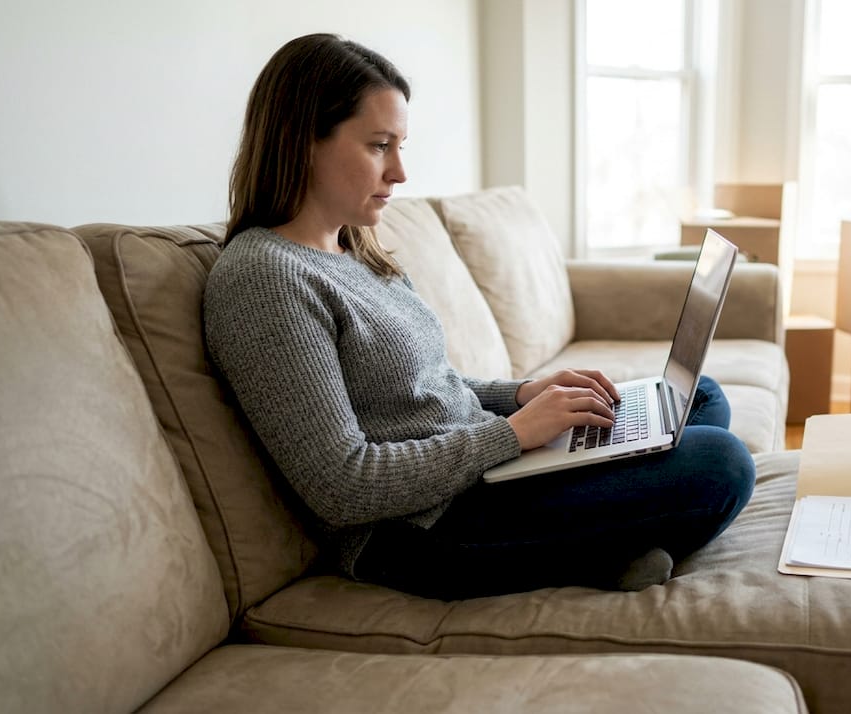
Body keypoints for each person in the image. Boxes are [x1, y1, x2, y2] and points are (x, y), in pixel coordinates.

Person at [203, 33, 755, 600]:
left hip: (480, 473)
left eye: (401, 145)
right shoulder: (265, 278)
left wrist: (523, 396)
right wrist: (514, 435)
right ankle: (603, 550)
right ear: (303, 141)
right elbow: (342, 483)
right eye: (378, 146)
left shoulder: (356, 251)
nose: (400, 172)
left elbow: (429, 389)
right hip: (425, 530)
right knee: (723, 462)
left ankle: (607, 546)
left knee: (699, 397)